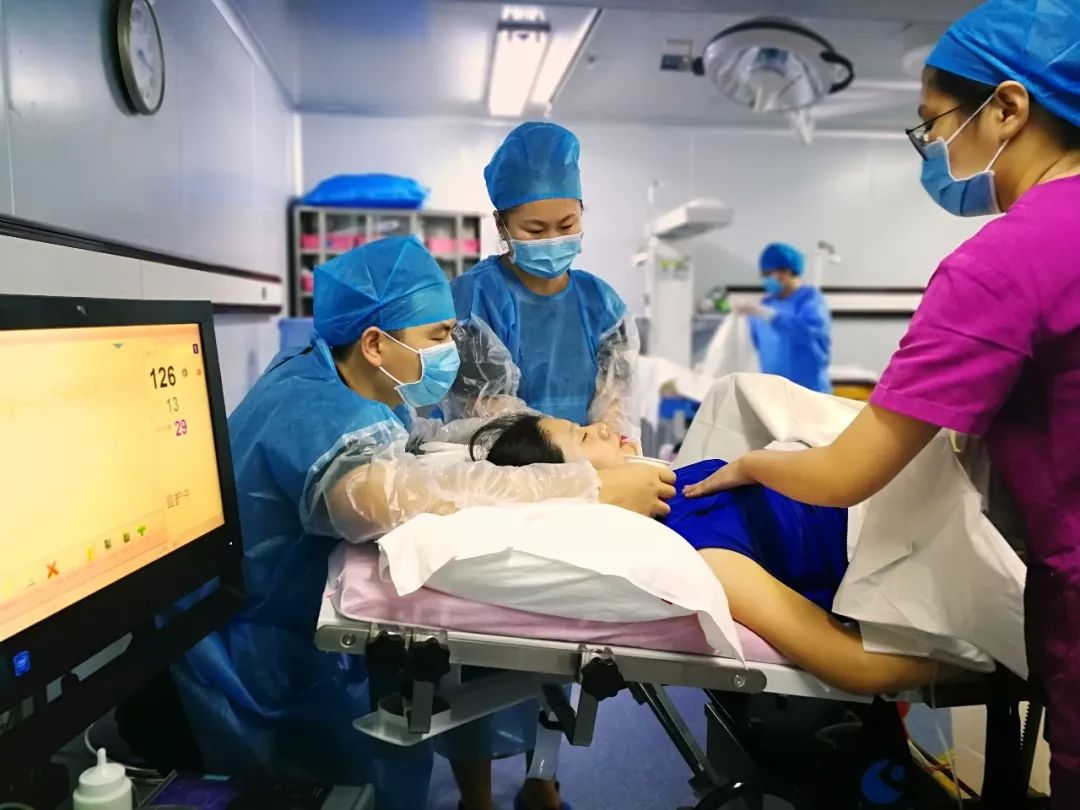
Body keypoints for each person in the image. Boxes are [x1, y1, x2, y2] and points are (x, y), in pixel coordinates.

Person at [684, 0, 1080, 804]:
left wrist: (753, 463)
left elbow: (842, 477)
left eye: (933, 126)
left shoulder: (1005, 262)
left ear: (1007, 107)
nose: (933, 148)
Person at [170, 236, 674, 809]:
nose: (450, 350)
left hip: (283, 623)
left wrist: (527, 439)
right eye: (437, 336)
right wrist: (584, 485)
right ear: (375, 343)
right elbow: (386, 496)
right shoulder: (315, 409)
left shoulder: (346, 375)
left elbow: (419, 443)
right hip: (250, 652)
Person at [469, 413, 947, 696]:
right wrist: (971, 666)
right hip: (914, 526)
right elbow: (854, 666)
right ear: (575, 485)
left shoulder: (676, 485)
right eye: (582, 436)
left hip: (897, 476)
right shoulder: (690, 550)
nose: (602, 426)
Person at [446, 121, 639, 439]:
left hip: (590, 459)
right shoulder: (474, 300)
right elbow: (483, 408)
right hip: (498, 460)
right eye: (535, 230)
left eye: (566, 226)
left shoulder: (602, 304)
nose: (552, 239)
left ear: (581, 213)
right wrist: (564, 444)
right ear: (501, 225)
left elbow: (615, 406)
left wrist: (607, 443)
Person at [735, 242, 832, 393]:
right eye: (765, 275)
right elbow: (750, 345)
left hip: (808, 390)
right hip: (773, 391)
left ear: (789, 271)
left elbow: (807, 333)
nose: (769, 279)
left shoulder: (810, 300)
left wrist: (772, 317)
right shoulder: (765, 305)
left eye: (772, 273)